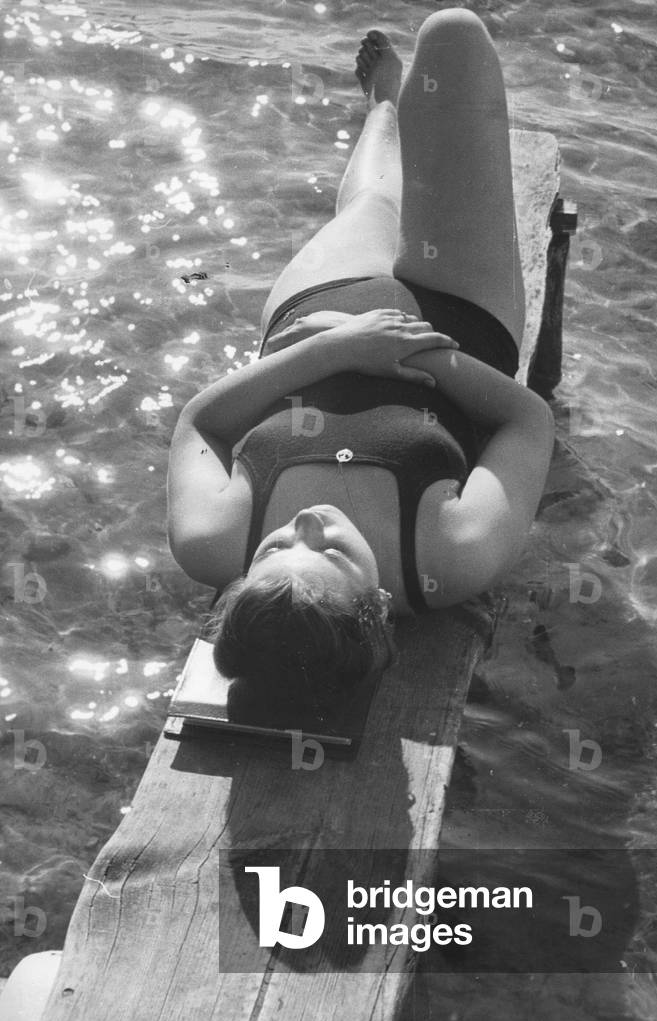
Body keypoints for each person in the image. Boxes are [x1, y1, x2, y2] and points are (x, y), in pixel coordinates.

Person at [167, 10, 555, 720]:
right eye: (331, 553)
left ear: (242, 582)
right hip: (457, 315)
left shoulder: (213, 543)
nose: (306, 524)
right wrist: (422, 355)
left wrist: (333, 346)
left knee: (376, 200)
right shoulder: (446, 557)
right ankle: (412, 111)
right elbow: (528, 419)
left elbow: (201, 420)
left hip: (320, 313)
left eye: (276, 545)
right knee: (455, 32)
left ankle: (383, 103)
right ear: (378, 606)